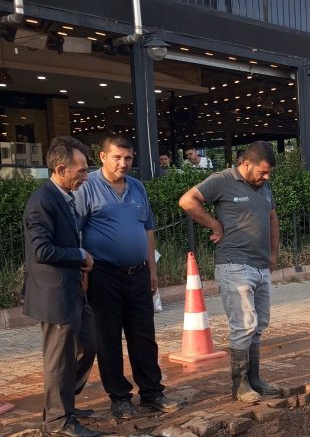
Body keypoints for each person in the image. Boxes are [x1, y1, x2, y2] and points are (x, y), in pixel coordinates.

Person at [75, 134, 179, 419]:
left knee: (144, 335)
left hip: (138, 274)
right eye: (117, 157)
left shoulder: (136, 188)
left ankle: (152, 392)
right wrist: (83, 274)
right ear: (103, 157)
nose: (123, 163)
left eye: (128, 158)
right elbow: (77, 233)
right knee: (108, 339)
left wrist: (152, 270)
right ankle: (119, 397)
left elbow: (147, 230)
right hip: (103, 276)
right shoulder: (87, 187)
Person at [178, 141, 281, 403]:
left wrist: (273, 253)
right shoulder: (221, 180)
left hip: (260, 265)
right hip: (234, 265)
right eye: (263, 172)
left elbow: (271, 216)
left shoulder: (264, 185)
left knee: (259, 325)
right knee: (244, 325)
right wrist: (214, 224)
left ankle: (255, 379)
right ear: (246, 164)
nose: (266, 178)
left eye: (269, 173)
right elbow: (187, 200)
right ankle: (240, 384)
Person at [22, 136, 100, 437]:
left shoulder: (63, 197)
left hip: (72, 291)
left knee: (89, 345)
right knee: (59, 359)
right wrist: (79, 255)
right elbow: (41, 250)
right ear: (61, 168)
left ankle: (64, 402)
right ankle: (58, 421)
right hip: (54, 295)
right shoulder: (42, 201)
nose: (85, 176)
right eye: (81, 171)